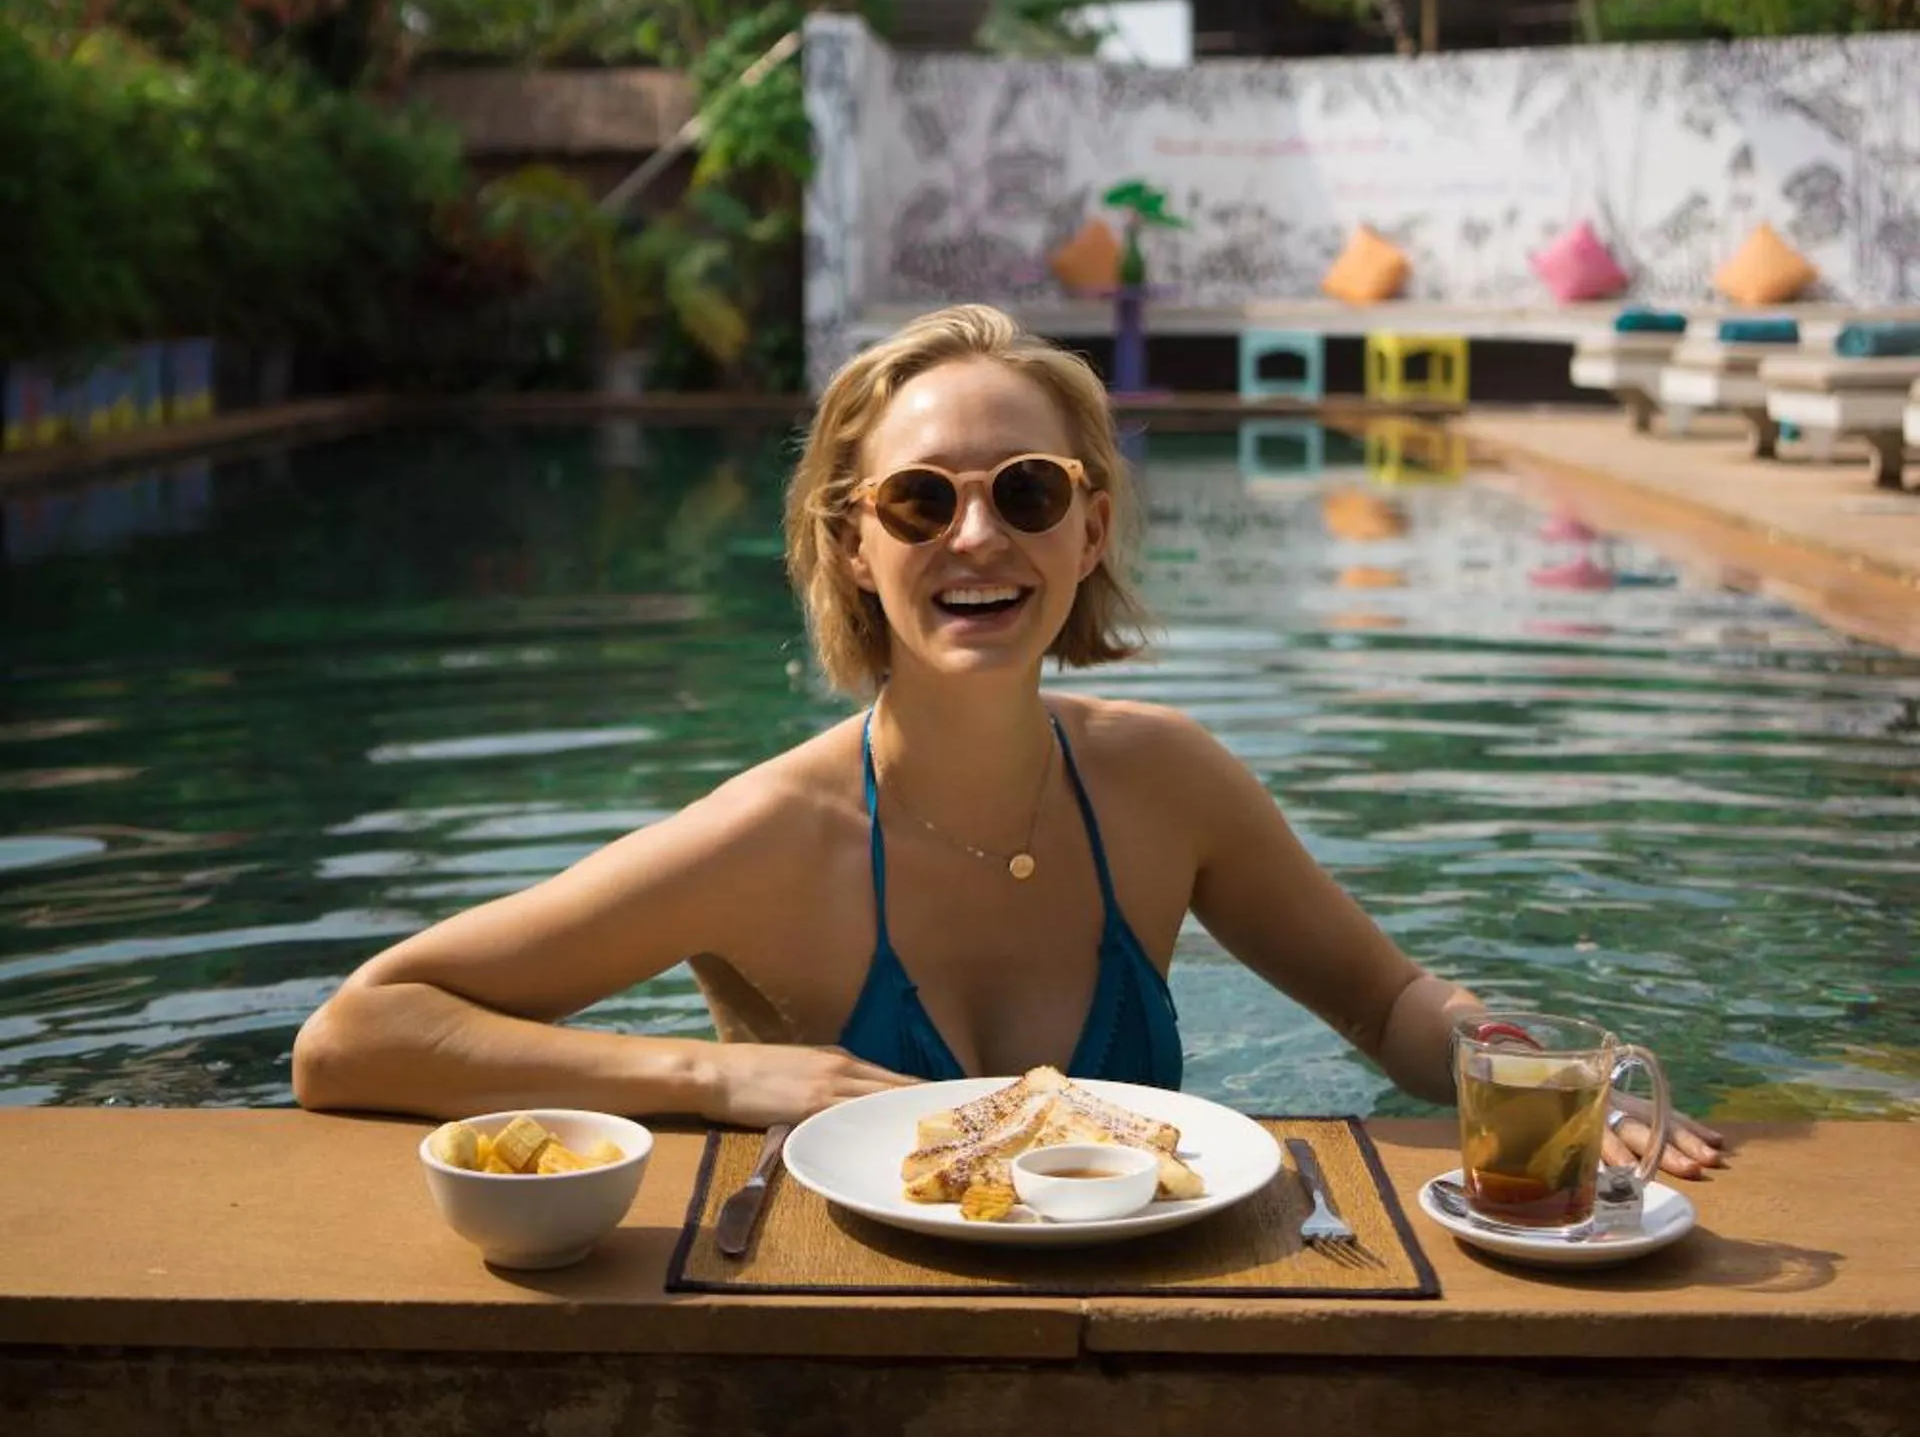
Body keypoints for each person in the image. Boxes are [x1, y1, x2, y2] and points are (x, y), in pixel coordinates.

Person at [292, 304, 1724, 1177]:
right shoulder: (769, 842)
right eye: (920, 501)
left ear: (1090, 525)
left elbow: (1389, 1001)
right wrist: (720, 1079)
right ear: (854, 544)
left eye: (1027, 490)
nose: (977, 534)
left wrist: (1529, 1072)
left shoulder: (1165, 783)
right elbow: (357, 1034)